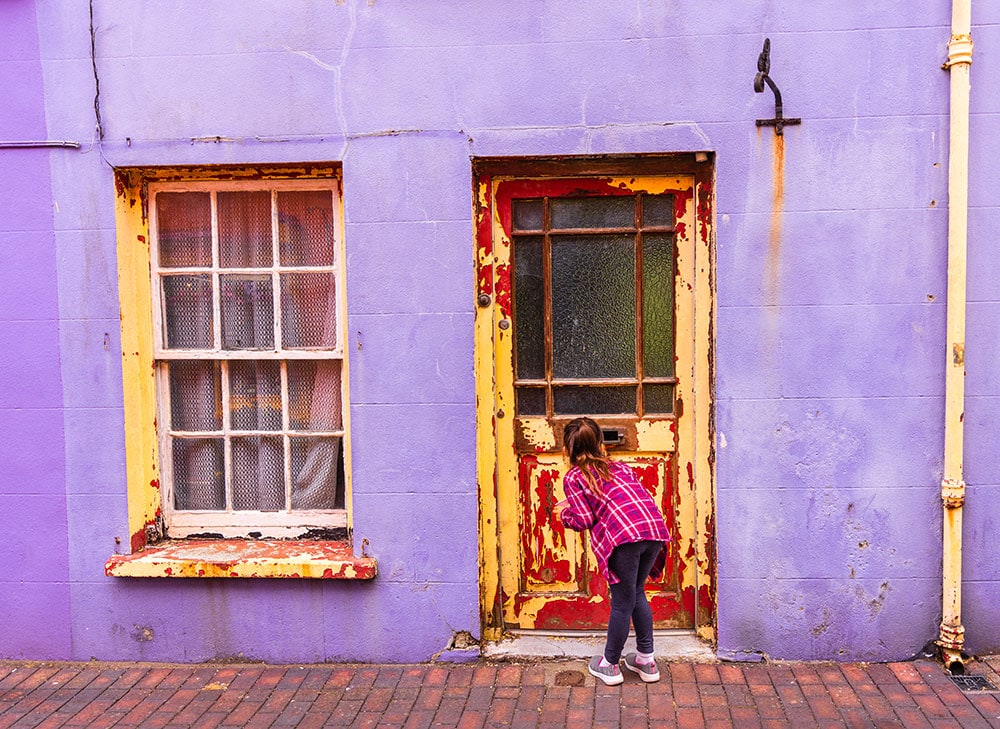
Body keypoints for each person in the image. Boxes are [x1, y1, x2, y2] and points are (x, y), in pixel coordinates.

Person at [553, 417, 671, 685]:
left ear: (566, 450)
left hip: (623, 539)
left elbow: (583, 519)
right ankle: (646, 659)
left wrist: (565, 513)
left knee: (621, 602)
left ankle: (609, 664)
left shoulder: (574, 476)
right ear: (600, 444)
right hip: (652, 531)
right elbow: (619, 498)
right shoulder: (620, 467)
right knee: (637, 592)